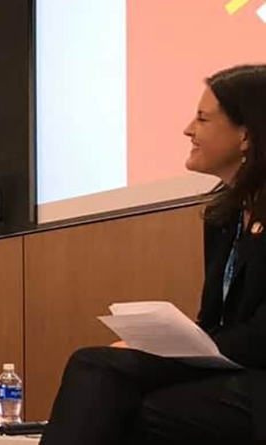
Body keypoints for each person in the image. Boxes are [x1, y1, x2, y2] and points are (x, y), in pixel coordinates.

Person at [40, 64, 266, 445]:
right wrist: (159, 345)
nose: (188, 130)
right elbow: (215, 321)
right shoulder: (223, 216)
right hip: (237, 369)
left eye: (202, 118)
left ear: (246, 135)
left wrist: (172, 353)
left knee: (111, 387)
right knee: (101, 371)